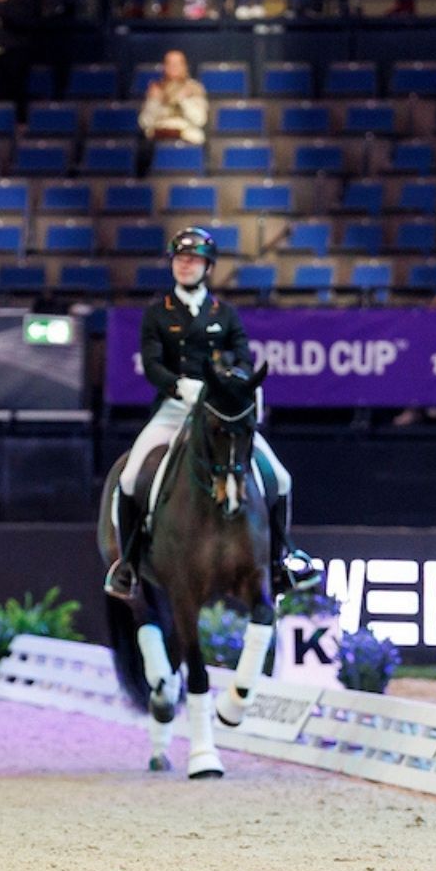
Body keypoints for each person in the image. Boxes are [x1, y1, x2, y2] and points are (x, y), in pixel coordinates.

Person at [105, 228, 321, 600]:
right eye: (180, 258)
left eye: (193, 260)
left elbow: (242, 357)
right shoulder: (157, 313)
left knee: (280, 478)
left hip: (218, 411)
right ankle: (128, 563)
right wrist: (180, 387)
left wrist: (230, 385)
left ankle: (282, 558)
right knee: (129, 478)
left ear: (207, 267)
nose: (185, 265)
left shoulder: (225, 313)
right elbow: (154, 365)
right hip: (174, 409)